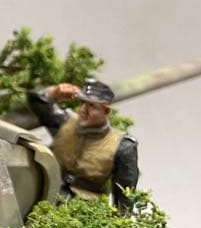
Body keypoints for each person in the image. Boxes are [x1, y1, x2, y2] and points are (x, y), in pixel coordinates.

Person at [26, 78, 139, 211]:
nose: (83, 110)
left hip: (83, 208)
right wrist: (53, 93)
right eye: (82, 103)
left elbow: (124, 197)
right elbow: (36, 100)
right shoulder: (65, 122)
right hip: (45, 192)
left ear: (106, 111)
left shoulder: (122, 146)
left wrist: (118, 221)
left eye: (91, 106)